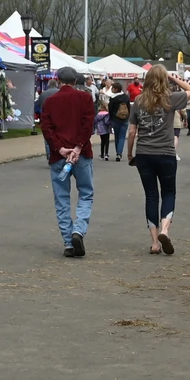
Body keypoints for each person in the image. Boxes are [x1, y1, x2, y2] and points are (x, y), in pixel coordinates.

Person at [127, 68, 190, 253]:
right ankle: (165, 230)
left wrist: (129, 154)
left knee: (151, 196)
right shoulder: (170, 98)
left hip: (144, 153)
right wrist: (172, 77)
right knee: (168, 192)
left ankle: (154, 242)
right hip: (166, 153)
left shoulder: (138, 101)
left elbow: (132, 131)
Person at [40, 67, 95, 256]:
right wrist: (78, 146)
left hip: (59, 155)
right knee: (86, 193)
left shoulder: (50, 101)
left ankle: (68, 242)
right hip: (82, 154)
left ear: (58, 79)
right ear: (75, 80)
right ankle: (78, 230)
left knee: (62, 198)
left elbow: (46, 128)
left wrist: (60, 148)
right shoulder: (85, 98)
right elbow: (88, 124)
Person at [108, 83, 132, 161]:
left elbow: (110, 109)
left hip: (115, 119)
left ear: (116, 89)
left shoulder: (113, 98)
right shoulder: (126, 97)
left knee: (117, 136)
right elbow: (129, 107)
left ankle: (117, 152)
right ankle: (119, 153)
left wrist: (110, 119)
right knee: (122, 137)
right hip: (124, 119)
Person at [95, 91, 113, 160]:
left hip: (100, 128)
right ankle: (106, 154)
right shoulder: (107, 114)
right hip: (106, 128)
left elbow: (95, 121)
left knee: (102, 141)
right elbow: (107, 121)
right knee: (107, 141)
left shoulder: (98, 114)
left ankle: (102, 154)